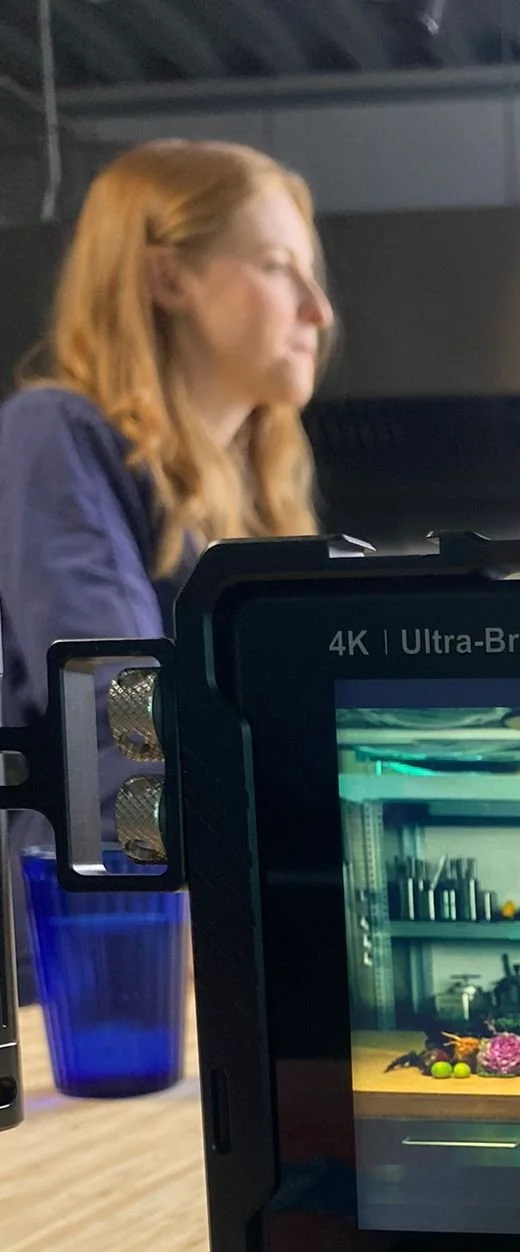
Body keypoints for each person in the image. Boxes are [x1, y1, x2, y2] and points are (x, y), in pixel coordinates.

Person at [0, 138, 333, 1001]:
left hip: (185, 960)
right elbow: (118, 722)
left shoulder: (246, 513)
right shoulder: (55, 433)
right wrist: (212, 937)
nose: (319, 310)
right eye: (278, 267)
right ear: (168, 278)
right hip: (94, 973)